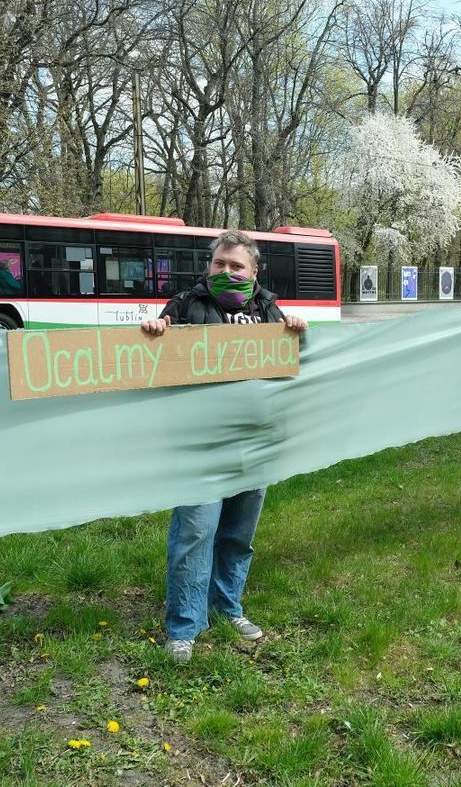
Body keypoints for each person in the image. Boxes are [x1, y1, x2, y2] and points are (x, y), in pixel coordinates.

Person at [140, 230, 308, 664]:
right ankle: (184, 626)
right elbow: (158, 359)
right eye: (220, 264)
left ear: (254, 272)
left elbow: (289, 366)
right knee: (195, 531)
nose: (227, 272)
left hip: (253, 441)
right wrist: (157, 330)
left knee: (238, 533)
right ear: (208, 266)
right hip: (201, 443)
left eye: (237, 266)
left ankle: (227, 605)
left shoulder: (268, 308)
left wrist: (297, 331)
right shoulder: (185, 305)